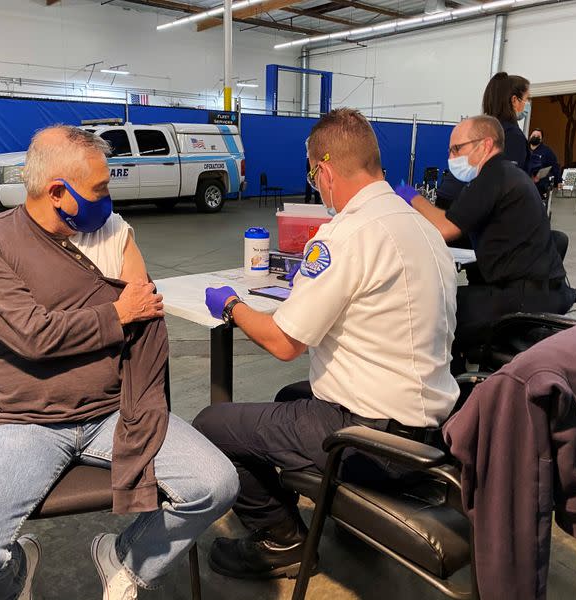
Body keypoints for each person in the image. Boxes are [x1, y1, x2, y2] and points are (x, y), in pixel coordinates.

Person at [0, 125, 239, 600]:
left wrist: (124, 309)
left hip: (115, 413)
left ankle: (126, 559)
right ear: (57, 192)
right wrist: (116, 311)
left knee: (215, 484)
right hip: (23, 422)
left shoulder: (109, 231)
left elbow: (146, 307)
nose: (109, 200)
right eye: (100, 189)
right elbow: (33, 334)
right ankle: (14, 577)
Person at [191, 108, 459, 580]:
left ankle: (283, 542)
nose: (318, 186)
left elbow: (283, 341)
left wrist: (232, 304)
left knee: (213, 423)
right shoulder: (423, 226)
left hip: (368, 439)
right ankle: (328, 521)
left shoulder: (345, 234)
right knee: (288, 397)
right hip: (431, 425)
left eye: (315, 175)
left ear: (326, 171)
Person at [395, 115, 576, 357]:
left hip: (521, 301)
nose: (451, 158)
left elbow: (446, 227)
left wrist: (409, 195)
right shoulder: (510, 174)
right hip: (546, 293)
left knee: (434, 309)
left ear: (486, 145)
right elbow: (465, 225)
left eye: (457, 149)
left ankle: (449, 386)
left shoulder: (492, 177)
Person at [482, 72, 532, 172]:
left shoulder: (483, 129)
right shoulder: (512, 135)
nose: (528, 103)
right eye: (527, 99)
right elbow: (510, 180)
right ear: (514, 100)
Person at [528, 128, 562, 196]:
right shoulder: (524, 149)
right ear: (530, 136)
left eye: (538, 136)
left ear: (541, 139)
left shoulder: (547, 151)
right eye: (533, 135)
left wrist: (559, 181)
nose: (535, 137)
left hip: (540, 185)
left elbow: (555, 166)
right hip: (525, 182)